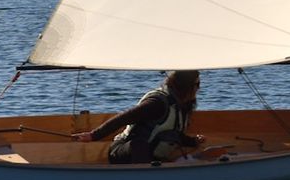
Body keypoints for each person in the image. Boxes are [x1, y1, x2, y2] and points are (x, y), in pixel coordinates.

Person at [72, 70, 204, 163]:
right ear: (185, 87)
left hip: (152, 157)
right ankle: (145, 174)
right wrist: (94, 135)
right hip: (123, 151)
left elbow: (171, 133)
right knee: (140, 145)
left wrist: (193, 141)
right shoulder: (157, 103)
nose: (198, 89)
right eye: (196, 85)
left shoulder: (181, 105)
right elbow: (123, 118)